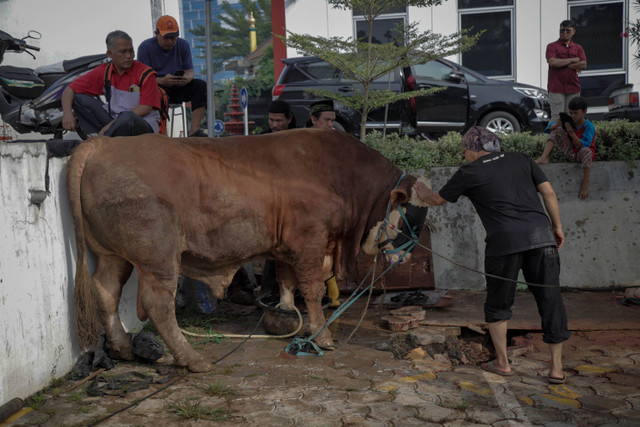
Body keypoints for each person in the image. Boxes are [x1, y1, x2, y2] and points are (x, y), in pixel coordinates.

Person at [413, 126, 570, 384]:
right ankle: (556, 369)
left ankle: (503, 364)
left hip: (504, 244)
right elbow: (549, 193)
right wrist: (557, 227)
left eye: (464, 152)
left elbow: (438, 200)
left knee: (498, 304)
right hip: (542, 240)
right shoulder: (522, 159)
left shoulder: (469, 172)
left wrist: (425, 194)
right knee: (551, 299)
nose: (464, 156)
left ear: (474, 150)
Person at [62, 30, 162, 137]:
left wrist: (110, 125)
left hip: (140, 123)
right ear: (110, 53)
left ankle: (100, 142)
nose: (129, 56)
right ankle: (95, 137)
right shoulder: (104, 71)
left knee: (127, 118)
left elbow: (145, 108)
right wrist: (67, 114)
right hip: (114, 121)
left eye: (131, 51)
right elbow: (69, 90)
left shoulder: (145, 73)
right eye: (123, 52)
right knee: (78, 98)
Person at [137, 15, 207, 137]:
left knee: (200, 86)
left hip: (178, 86)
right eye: (166, 38)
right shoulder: (145, 48)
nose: (170, 42)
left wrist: (186, 79)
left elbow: (190, 71)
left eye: (173, 38)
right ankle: (162, 134)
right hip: (158, 87)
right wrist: (162, 81)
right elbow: (143, 78)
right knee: (156, 93)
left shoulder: (183, 45)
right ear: (156, 33)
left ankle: (194, 130)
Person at [536, 96, 595, 200]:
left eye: (576, 113)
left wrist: (571, 133)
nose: (573, 115)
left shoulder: (589, 127)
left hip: (581, 155)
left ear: (585, 111)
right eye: (571, 113)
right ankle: (544, 157)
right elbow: (548, 129)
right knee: (556, 130)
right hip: (570, 152)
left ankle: (585, 185)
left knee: (587, 151)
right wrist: (557, 125)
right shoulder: (568, 121)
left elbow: (584, 145)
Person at [546, 20, 587, 125]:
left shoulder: (578, 47)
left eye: (568, 31)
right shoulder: (552, 46)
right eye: (562, 30)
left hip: (573, 87)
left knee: (573, 117)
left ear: (573, 32)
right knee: (557, 117)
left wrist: (563, 64)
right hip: (556, 87)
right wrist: (573, 60)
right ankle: (553, 140)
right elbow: (553, 62)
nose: (564, 33)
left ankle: (571, 140)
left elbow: (583, 65)